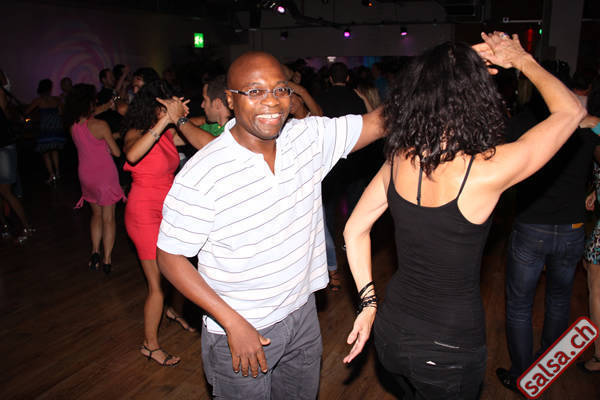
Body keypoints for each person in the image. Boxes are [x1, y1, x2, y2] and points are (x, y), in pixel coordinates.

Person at [341, 32, 585, 400]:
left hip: (391, 337)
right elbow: (571, 111)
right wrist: (520, 59)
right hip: (448, 351)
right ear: (477, 99)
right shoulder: (486, 171)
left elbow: (354, 230)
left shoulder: (398, 160)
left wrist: (367, 304)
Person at [155, 51, 384, 398]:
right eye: (255, 91)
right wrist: (232, 323)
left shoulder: (308, 139)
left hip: (302, 315)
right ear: (230, 100)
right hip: (240, 327)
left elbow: (380, 122)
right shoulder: (204, 172)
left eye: (280, 89)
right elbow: (170, 257)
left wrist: (446, 72)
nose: (272, 101)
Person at [495, 72, 600, 391]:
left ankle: (521, 374)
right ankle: (545, 368)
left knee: (519, 304)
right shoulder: (582, 124)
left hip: (531, 226)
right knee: (559, 300)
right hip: (572, 229)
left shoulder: (523, 122)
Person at [122, 80, 215, 366]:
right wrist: (164, 121)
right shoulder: (136, 133)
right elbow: (132, 155)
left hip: (169, 211)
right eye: (165, 104)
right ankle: (150, 345)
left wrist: (182, 116)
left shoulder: (168, 134)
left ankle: (172, 311)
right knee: (157, 285)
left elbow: (202, 131)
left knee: (178, 267)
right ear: (153, 106)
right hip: (143, 213)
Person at [64, 84, 125, 273]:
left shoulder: (73, 126)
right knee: (108, 218)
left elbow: (92, 140)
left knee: (96, 215)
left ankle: (95, 252)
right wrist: (115, 137)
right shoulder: (101, 125)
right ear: (89, 103)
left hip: (86, 175)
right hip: (104, 176)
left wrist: (108, 133)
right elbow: (116, 152)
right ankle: (107, 260)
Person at [0, 82, 33, 243]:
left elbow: (6, 114)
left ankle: (26, 227)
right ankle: (5, 227)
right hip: (4, 146)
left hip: (3, 146)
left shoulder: (1, 94)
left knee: (5, 190)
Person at [24, 79, 65, 184]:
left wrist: (29, 119)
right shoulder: (56, 99)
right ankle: (58, 173)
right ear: (50, 88)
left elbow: (26, 112)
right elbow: (61, 113)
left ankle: (52, 175)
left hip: (45, 129)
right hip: (56, 128)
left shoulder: (38, 100)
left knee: (46, 153)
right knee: (54, 151)